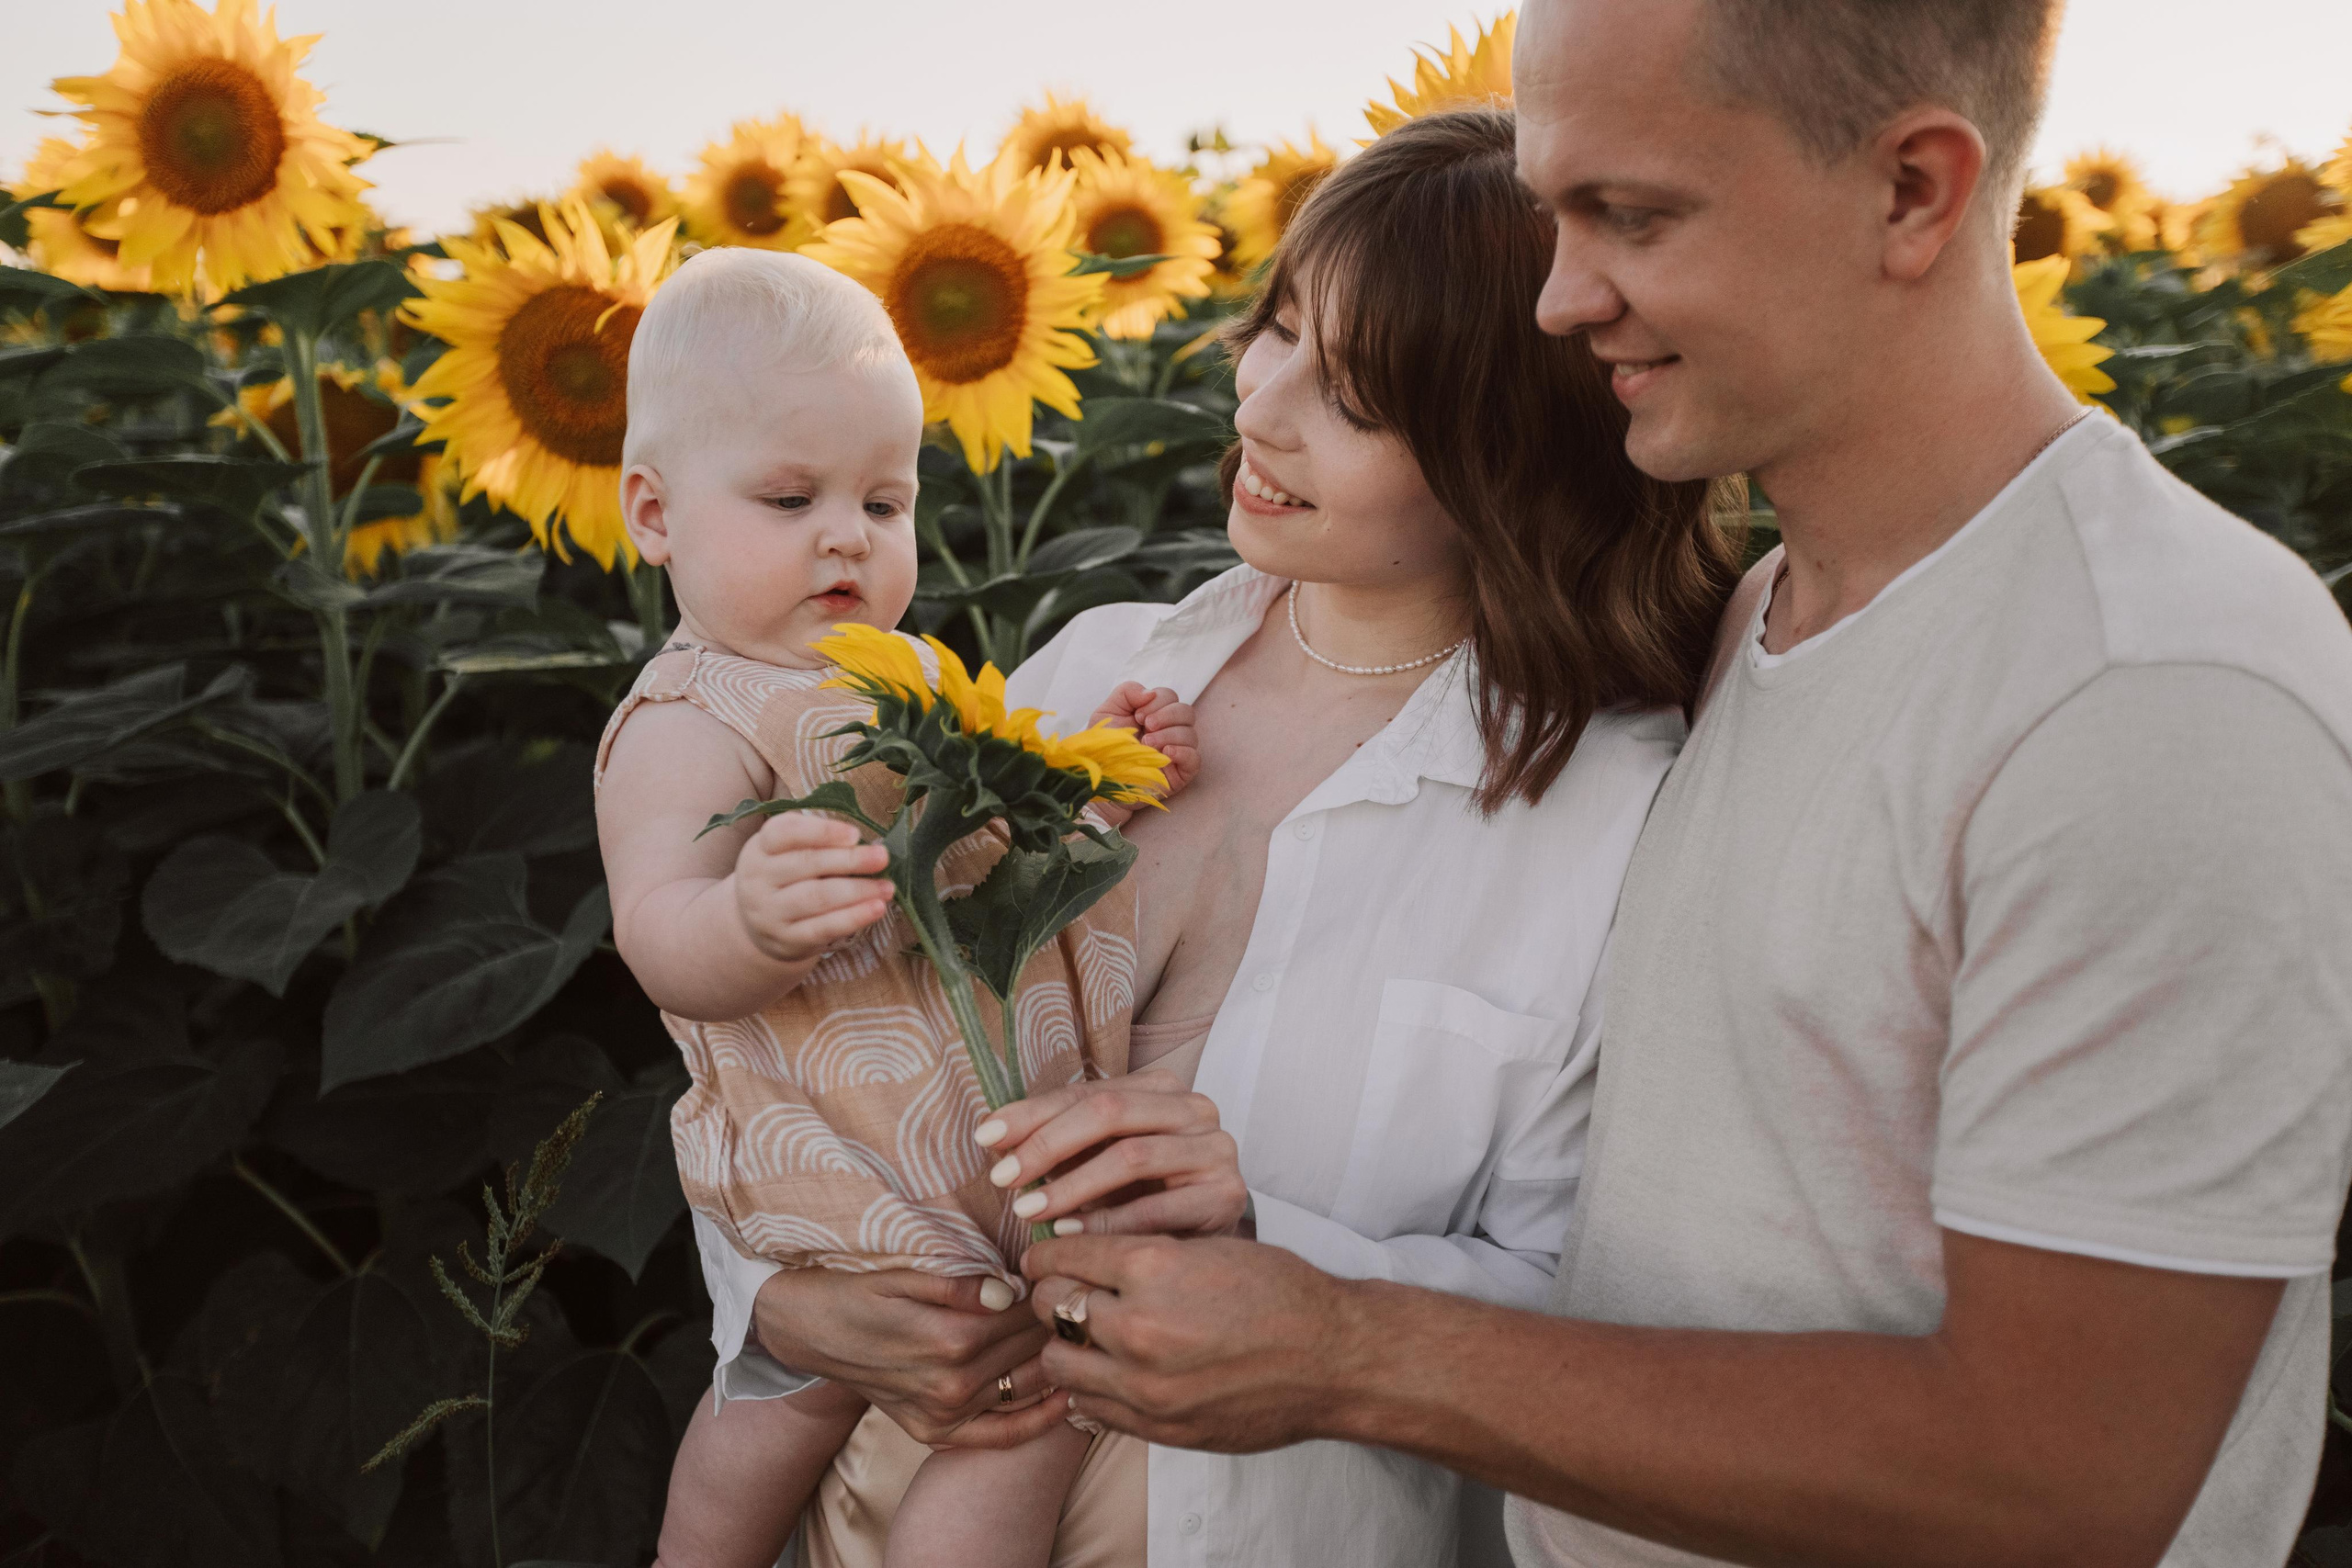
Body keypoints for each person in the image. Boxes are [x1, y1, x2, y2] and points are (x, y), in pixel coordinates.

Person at [1014, 2, 2352, 1565]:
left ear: (1914, 191)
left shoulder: (2152, 688)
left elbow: (2063, 1481)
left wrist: (1351, 1347)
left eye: (1631, 219)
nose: (1563, 300)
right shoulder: (1755, 624)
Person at [689, 110, 1743, 1566]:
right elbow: (808, 1045)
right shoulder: (1080, 679)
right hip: (866, 1500)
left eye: (1359, 400)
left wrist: (1283, 1254)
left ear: (1516, 453)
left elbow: (1605, 1317)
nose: (1261, 405)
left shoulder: (1616, 814)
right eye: (1279, 328)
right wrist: (782, 1298)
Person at [592, 246, 1202, 1568]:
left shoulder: (914, 676)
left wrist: (1098, 777)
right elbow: (653, 928)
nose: (844, 536)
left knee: (1024, 1405)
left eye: (883, 500)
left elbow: (999, 848)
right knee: (780, 1417)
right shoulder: (691, 716)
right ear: (653, 512)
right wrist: (743, 924)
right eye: (789, 496)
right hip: (836, 1163)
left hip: (993, 1148)